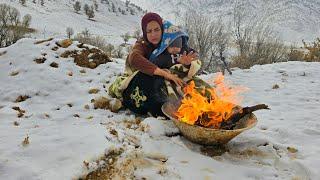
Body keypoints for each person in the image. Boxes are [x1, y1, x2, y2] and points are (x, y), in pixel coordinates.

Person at [108, 13, 198, 116]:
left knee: (197, 91)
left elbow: (191, 58)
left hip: (173, 80)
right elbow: (134, 58)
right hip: (150, 78)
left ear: (162, 29)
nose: (153, 34)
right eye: (149, 31)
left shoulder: (172, 40)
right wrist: (165, 74)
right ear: (145, 33)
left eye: (156, 30)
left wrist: (186, 64)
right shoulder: (142, 43)